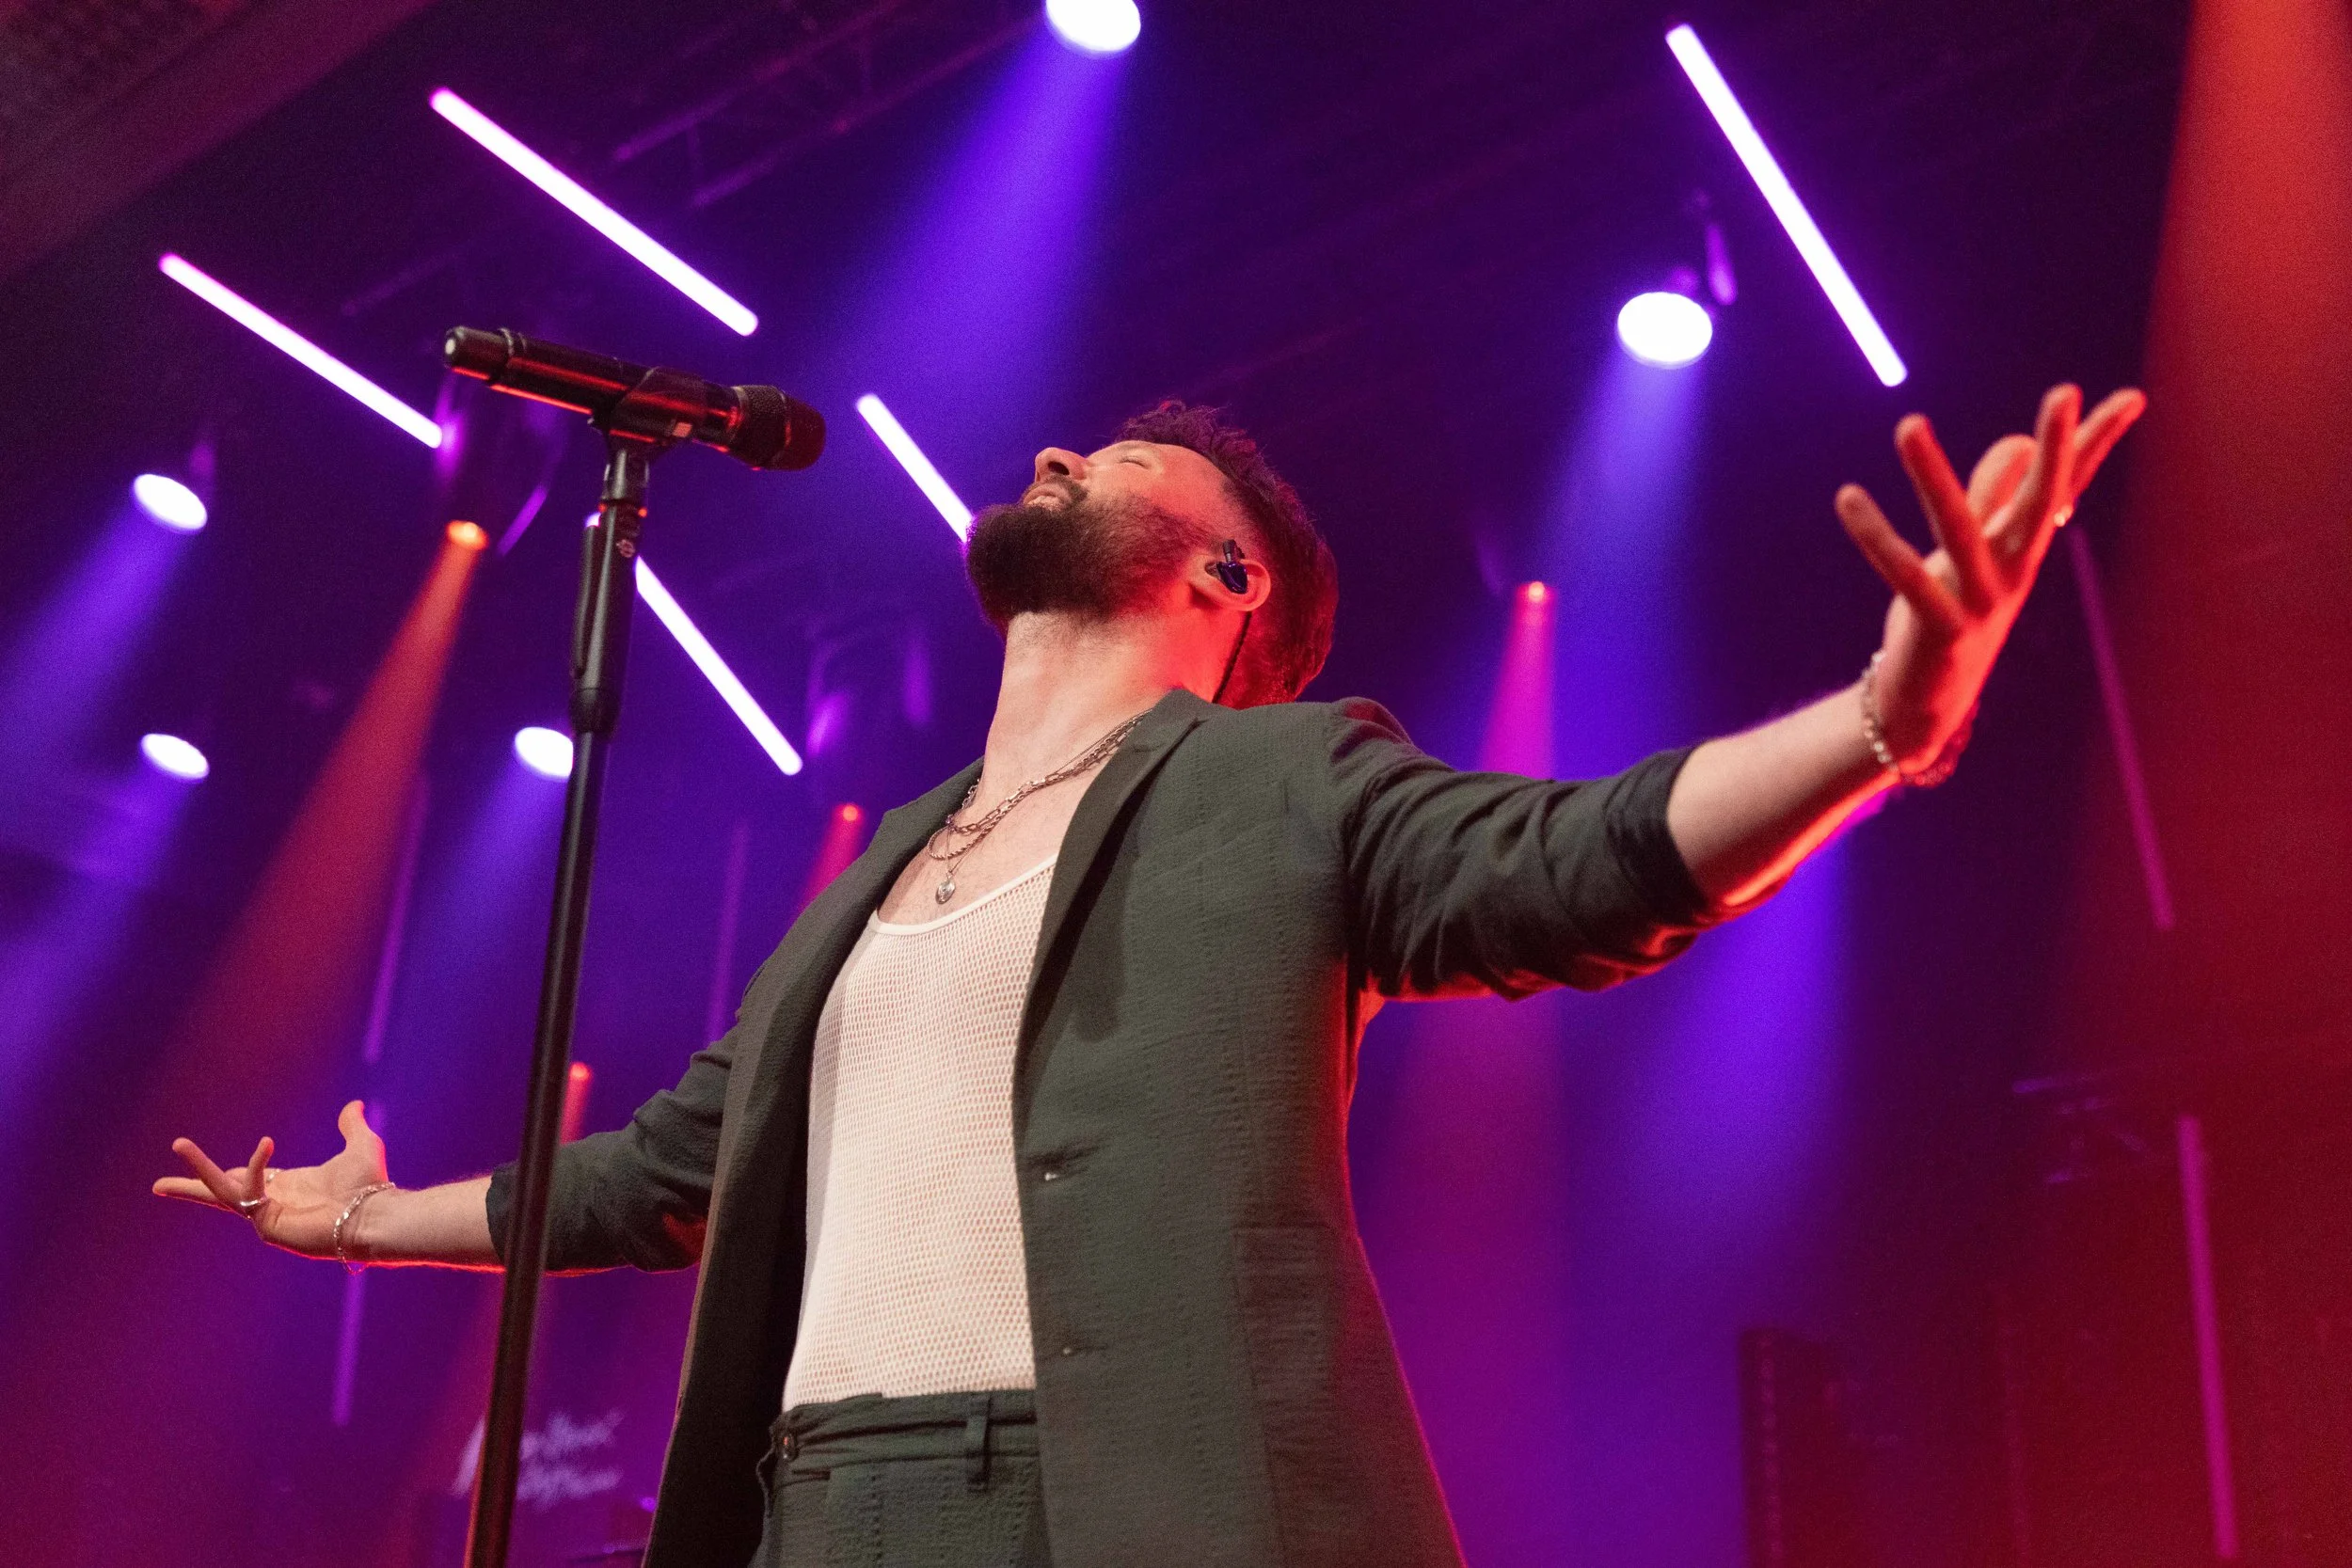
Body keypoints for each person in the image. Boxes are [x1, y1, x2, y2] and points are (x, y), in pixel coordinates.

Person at [158, 385, 2142, 1568]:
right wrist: (363, 1222)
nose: (1047, 448)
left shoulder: (1285, 775)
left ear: (1227, 580)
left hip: (1099, 1496)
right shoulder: (872, 875)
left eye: (1110, 458)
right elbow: (670, 1164)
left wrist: (1887, 719)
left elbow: (1570, 862)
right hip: (814, 1500)